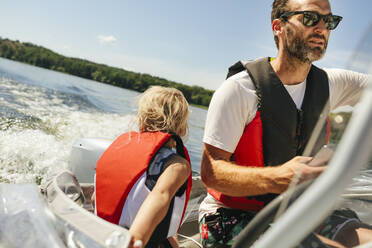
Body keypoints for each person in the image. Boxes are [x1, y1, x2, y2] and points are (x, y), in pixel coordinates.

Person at [199, 0, 372, 247]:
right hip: (230, 214)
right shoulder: (239, 90)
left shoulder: (333, 84)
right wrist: (278, 177)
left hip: (295, 208)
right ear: (278, 26)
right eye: (311, 18)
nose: (323, 28)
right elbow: (210, 172)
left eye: (330, 21)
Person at [94, 86, 192, 248]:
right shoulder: (176, 165)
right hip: (135, 241)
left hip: (103, 233)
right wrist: (135, 239)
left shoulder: (120, 149)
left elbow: (96, 198)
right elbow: (160, 197)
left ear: (141, 121)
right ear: (181, 129)